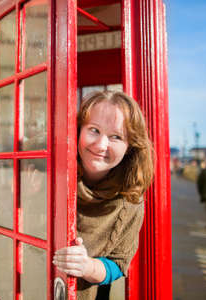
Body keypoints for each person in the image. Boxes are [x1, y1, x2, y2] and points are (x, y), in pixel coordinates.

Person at [52, 91, 153, 300]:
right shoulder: (51, 167)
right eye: (94, 130)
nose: (100, 145)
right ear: (79, 130)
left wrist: (87, 266)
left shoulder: (130, 200)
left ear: (130, 146)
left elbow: (118, 264)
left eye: (116, 136)